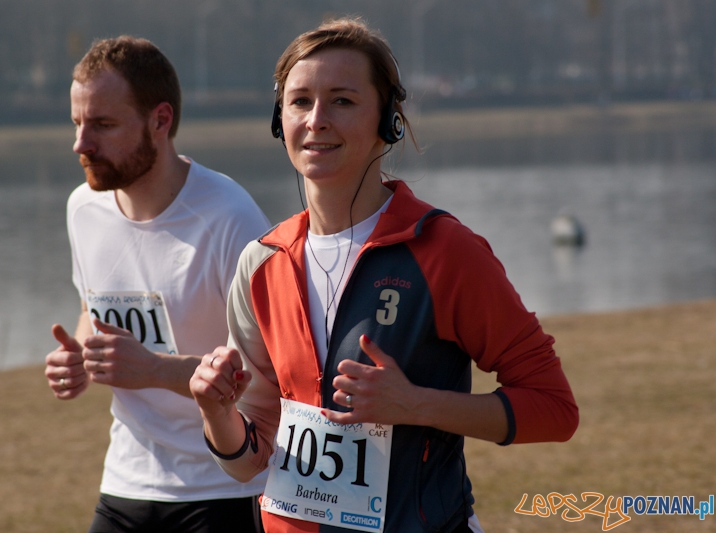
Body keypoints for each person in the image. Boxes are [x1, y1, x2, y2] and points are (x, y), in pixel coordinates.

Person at [189, 18, 579, 533]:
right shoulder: (260, 263)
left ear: (389, 120)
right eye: (300, 101)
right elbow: (249, 459)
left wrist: (416, 404)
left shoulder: (445, 251)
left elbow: (554, 409)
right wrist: (216, 413)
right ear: (278, 120)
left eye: (343, 101)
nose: (316, 120)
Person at [43, 36, 270, 532]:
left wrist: (153, 369)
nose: (81, 143)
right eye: (77, 123)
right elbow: (91, 308)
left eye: (103, 125)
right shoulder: (82, 208)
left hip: (225, 487)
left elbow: (269, 375)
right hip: (125, 479)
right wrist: (80, 357)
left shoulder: (230, 218)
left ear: (160, 121)